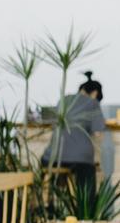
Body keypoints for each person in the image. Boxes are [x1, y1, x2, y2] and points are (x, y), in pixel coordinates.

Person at [47, 72, 113, 205]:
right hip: (80, 160)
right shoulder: (93, 103)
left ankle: (53, 207)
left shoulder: (63, 100)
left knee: (60, 175)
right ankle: (85, 212)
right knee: (87, 176)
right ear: (95, 93)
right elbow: (98, 132)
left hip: (51, 157)